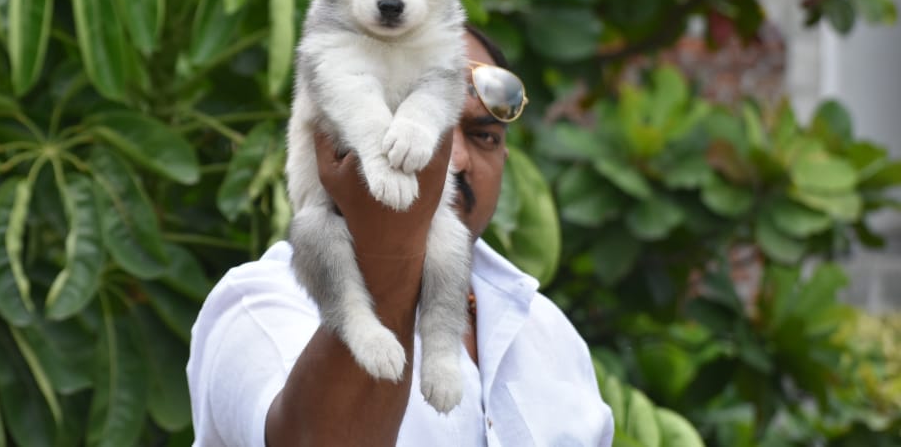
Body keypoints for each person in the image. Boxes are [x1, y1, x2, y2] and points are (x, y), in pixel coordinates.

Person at [186, 27, 614, 446]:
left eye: (482, 136)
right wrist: (393, 243)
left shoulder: (548, 333)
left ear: (504, 157)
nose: (456, 159)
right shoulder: (258, 307)